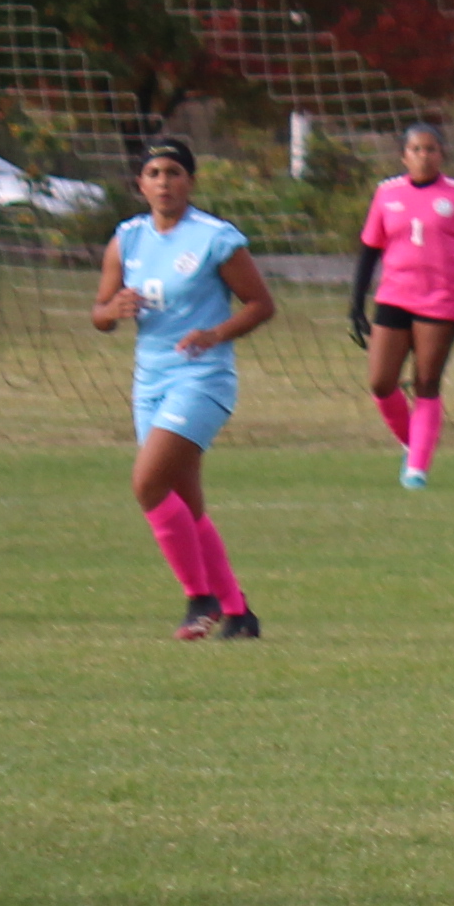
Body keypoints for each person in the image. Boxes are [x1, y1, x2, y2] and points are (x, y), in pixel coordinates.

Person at [91, 134, 278, 639]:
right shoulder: (127, 238)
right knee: (186, 504)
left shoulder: (215, 238)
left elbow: (262, 304)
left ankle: (201, 598)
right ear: (140, 184)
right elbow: (99, 313)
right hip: (150, 381)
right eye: (154, 174)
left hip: (202, 380)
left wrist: (215, 334)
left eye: (173, 173)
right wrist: (113, 311)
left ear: (190, 182)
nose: (163, 183)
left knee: (147, 483)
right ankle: (240, 615)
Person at [348, 118, 454, 488]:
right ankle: (413, 442)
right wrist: (355, 305)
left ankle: (416, 469)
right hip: (394, 297)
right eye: (416, 149)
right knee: (382, 383)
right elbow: (369, 250)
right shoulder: (387, 194)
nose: (424, 156)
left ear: (442, 154)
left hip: (441, 300)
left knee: (426, 382)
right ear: (403, 155)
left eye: (431, 149)